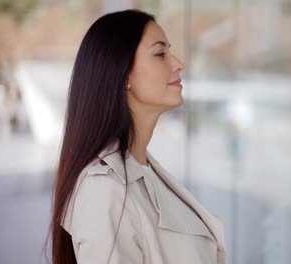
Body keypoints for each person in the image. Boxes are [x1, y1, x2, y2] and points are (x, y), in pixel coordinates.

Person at [50, 9, 227, 264]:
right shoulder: (103, 188)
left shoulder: (143, 170)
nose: (178, 63)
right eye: (160, 53)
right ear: (123, 75)